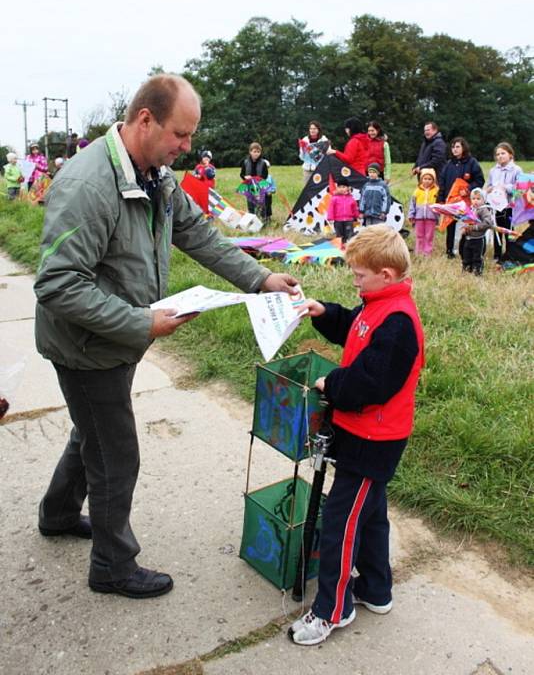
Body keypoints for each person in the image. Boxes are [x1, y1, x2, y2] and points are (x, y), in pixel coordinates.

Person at [34, 75, 298, 600]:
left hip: (116, 340)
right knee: (116, 453)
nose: (187, 147)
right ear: (145, 119)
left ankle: (58, 514)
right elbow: (57, 284)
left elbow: (197, 233)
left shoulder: (154, 174)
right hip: (87, 346)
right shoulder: (90, 183)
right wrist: (142, 323)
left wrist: (260, 278)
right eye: (180, 134)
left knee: (94, 432)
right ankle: (112, 566)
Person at [288, 225, 424, 646]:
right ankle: (376, 590)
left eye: (359, 274)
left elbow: (372, 382)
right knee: (372, 515)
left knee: (341, 524)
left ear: (386, 273)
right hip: (362, 434)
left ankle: (332, 609)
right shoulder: (377, 304)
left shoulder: (399, 322)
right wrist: (323, 312)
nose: (354, 280)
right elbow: (355, 329)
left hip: (373, 440)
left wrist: (334, 384)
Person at [437, 137, 484, 258]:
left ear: (464, 147)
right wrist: (441, 199)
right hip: (451, 201)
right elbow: (441, 182)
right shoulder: (448, 164)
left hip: (466, 202)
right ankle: (449, 251)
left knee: (464, 226)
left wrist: (468, 190)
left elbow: (480, 180)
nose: (454, 149)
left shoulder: (472, 162)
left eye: (457, 146)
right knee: (450, 226)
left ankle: (464, 250)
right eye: (453, 147)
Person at [486, 142, 522, 262]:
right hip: (495, 206)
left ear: (510, 155)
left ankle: (509, 255)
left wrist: (506, 187)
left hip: (509, 206)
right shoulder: (493, 171)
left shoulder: (516, 170)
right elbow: (489, 185)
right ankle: (497, 254)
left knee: (508, 231)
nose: (500, 156)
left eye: (503, 153)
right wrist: (490, 189)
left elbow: (519, 188)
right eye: (497, 154)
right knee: (497, 229)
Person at [460, 187, 494, 275]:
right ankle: (467, 270)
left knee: (477, 257)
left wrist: (475, 227)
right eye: (473, 199)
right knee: (466, 255)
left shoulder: (484, 210)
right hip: (468, 237)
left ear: (483, 199)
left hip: (478, 239)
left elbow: (488, 223)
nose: (475, 201)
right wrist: (465, 228)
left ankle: (477, 272)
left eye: (478, 199)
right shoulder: (470, 209)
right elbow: (466, 221)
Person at [408, 168, 439, 256]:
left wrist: (437, 215)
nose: (427, 181)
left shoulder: (436, 191)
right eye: (425, 179)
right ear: (421, 179)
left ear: (433, 180)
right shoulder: (417, 191)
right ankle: (419, 251)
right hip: (419, 217)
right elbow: (412, 204)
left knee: (429, 235)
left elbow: (439, 204)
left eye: (430, 179)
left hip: (431, 217)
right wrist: (411, 214)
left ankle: (427, 252)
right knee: (419, 234)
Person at [239, 142, 272, 221]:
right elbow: (242, 174)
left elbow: (265, 175)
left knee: (261, 204)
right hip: (249, 187)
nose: (256, 154)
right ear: (250, 152)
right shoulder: (245, 162)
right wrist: (245, 177)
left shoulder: (263, 163)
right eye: (254, 152)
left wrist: (258, 179)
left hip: (260, 187)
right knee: (251, 204)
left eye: (258, 152)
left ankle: (263, 220)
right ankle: (252, 220)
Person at [327, 177, 360, 247]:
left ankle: (348, 248)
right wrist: (330, 218)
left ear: (348, 188)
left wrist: (357, 216)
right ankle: (340, 248)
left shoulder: (351, 198)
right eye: (339, 187)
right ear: (337, 188)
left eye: (344, 187)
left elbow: (354, 209)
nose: (341, 188)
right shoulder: (334, 198)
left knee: (349, 235)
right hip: (338, 221)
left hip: (349, 221)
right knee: (339, 236)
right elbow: (331, 209)